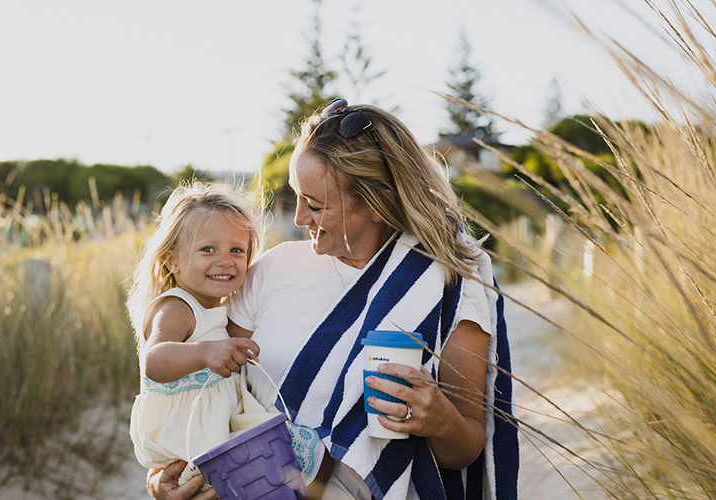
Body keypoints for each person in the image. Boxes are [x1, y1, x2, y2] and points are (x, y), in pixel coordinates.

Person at [148, 99, 519, 500]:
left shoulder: (442, 285)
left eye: (316, 204)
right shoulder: (271, 270)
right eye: (296, 196)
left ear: (378, 203)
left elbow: (464, 449)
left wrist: (440, 420)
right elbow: (210, 395)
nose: (299, 219)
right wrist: (164, 474)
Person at [128, 181, 270, 486]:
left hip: (214, 438)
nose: (225, 260)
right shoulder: (179, 306)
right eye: (208, 249)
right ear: (171, 260)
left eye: (237, 250)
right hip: (188, 443)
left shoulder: (222, 308)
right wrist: (205, 353)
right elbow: (154, 360)